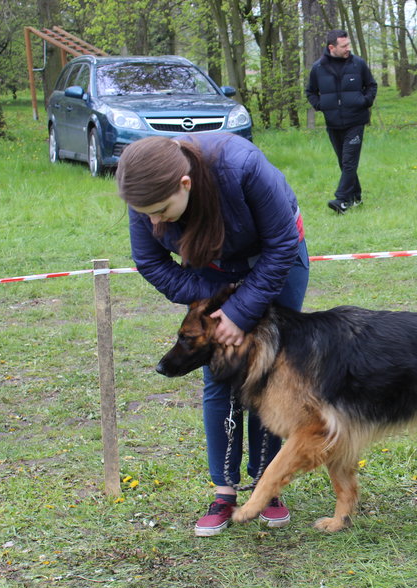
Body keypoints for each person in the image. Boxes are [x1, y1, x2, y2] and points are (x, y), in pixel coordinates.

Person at [117, 133, 310, 536]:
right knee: (219, 372)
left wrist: (241, 310)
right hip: (211, 272)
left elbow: (281, 245)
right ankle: (224, 490)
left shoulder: (241, 166)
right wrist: (217, 307)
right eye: (145, 214)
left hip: (274, 263)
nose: (154, 221)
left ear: (184, 184)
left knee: (269, 373)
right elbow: (150, 262)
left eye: (160, 211)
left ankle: (267, 484)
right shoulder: (144, 191)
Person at [305, 29, 378, 214]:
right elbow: (310, 91)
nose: (348, 48)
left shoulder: (358, 64)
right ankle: (356, 196)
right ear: (332, 47)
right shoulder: (318, 68)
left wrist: (365, 101)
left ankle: (341, 200)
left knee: (349, 161)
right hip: (333, 123)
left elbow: (371, 85)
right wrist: (321, 105)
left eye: (348, 44)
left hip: (356, 121)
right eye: (344, 46)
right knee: (344, 162)